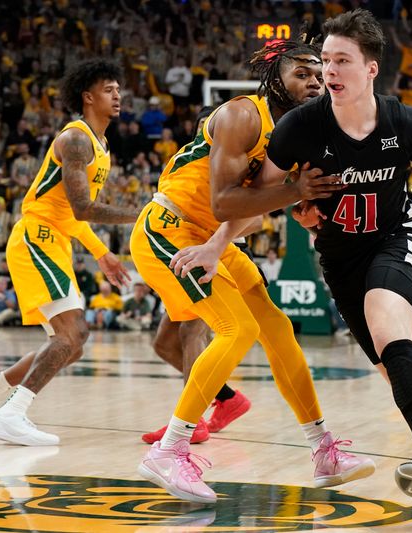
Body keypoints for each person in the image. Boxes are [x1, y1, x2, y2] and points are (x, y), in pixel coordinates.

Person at [198, 11, 412, 518]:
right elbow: (260, 197)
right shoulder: (299, 127)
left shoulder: (405, 123)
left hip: (396, 240)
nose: (329, 72)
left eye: (341, 62)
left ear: (370, 69)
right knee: (400, 371)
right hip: (340, 259)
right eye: (326, 61)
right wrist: (217, 243)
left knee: (386, 326)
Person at [129, 37, 375, 504]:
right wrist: (293, 190)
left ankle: (323, 450)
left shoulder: (303, 134)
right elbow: (224, 202)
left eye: (318, 74)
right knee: (235, 329)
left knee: (278, 330)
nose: (314, 81)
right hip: (170, 229)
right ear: (274, 78)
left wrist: (306, 204)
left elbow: (260, 210)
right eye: (301, 72)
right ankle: (169, 450)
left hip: (214, 243)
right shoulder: (243, 115)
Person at [0, 59, 137, 444]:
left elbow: (71, 214)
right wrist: (143, 214)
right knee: (71, 335)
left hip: (55, 240)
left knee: (74, 343)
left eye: (119, 88)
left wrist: (102, 253)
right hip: (36, 238)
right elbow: (83, 208)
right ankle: (11, 413)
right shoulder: (76, 140)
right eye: (108, 89)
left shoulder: (101, 146)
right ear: (88, 97)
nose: (117, 94)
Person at [141, 105, 252, 445]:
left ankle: (192, 421)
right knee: (164, 343)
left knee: (193, 333)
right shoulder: (193, 160)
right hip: (185, 248)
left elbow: (257, 216)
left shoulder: (238, 162)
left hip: (217, 254)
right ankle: (228, 398)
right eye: (209, 126)